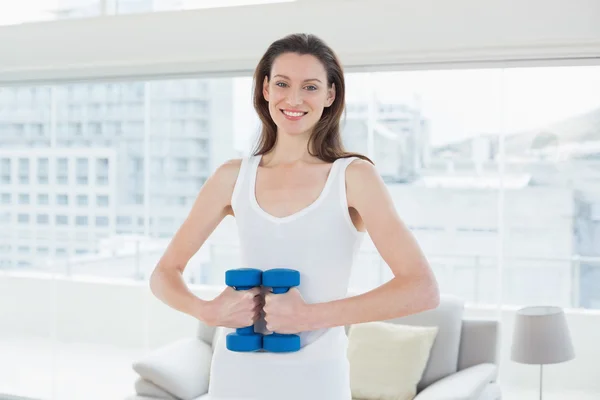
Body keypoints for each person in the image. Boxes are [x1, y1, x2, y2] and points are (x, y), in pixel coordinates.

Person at [149, 33, 440, 400]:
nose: (295, 98)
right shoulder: (232, 178)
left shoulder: (353, 178)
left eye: (311, 86)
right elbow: (163, 274)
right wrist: (207, 311)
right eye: (283, 83)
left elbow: (422, 289)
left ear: (330, 96)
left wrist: (309, 317)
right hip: (235, 377)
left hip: (315, 380)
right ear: (266, 89)